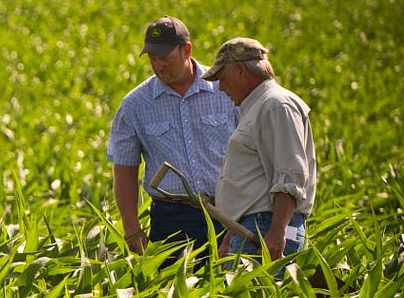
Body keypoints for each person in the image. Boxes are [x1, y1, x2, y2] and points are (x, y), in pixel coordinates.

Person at [106, 16, 238, 257]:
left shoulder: (225, 90)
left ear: (186, 50)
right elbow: (124, 169)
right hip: (172, 219)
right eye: (152, 60)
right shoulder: (135, 105)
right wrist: (132, 228)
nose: (158, 66)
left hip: (230, 213)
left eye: (165, 58)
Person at [208, 38, 318, 260]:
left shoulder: (276, 105)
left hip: (265, 229)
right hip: (252, 228)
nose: (220, 87)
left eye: (222, 78)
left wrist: (277, 233)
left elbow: (290, 176)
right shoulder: (257, 107)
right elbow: (252, 182)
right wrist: (229, 239)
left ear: (240, 70)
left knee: (264, 293)